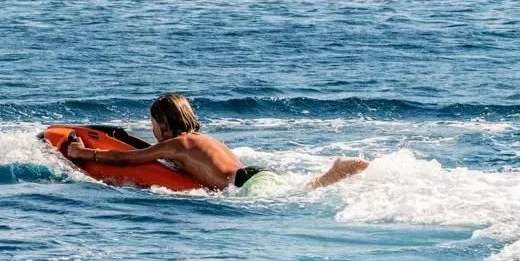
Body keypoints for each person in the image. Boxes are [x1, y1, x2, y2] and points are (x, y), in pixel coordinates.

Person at [64, 93, 368, 192]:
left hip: (245, 186)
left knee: (301, 197)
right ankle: (333, 174)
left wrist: (81, 152)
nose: (152, 129)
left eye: (153, 124)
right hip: (254, 174)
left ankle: (335, 172)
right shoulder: (201, 140)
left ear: (163, 124)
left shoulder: (177, 144)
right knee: (299, 191)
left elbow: (126, 159)